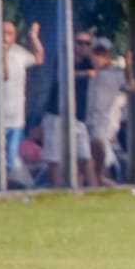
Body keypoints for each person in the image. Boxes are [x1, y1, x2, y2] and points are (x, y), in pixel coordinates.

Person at [0, 20, 44, 171]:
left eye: (9, 34)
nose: (5, 37)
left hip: (14, 121)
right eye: (2, 33)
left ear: (14, 36)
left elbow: (38, 58)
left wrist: (33, 37)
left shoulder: (20, 54)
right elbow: (2, 74)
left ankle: (5, 193)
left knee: (10, 164)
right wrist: (2, 54)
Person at [42, 29, 96, 188]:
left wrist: (90, 54)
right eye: (79, 42)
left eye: (87, 43)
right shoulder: (65, 58)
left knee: (85, 156)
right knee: (55, 158)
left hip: (77, 117)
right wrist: (84, 74)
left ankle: (94, 190)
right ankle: (56, 189)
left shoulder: (88, 61)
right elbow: (63, 75)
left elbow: (100, 64)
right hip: (57, 114)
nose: (83, 46)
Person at [86, 37, 134, 185]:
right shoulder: (87, 69)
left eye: (103, 52)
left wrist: (128, 66)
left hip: (101, 117)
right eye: (97, 51)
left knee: (98, 145)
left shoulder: (115, 73)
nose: (99, 55)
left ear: (108, 53)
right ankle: (92, 179)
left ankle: (98, 175)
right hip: (83, 115)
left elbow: (131, 86)